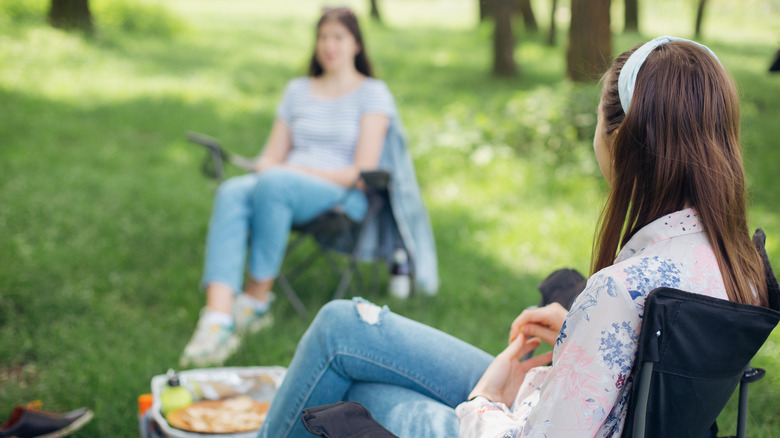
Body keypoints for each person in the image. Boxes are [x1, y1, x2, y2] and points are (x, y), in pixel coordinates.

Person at [256, 36, 770, 437]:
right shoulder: (738, 265)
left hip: (521, 419)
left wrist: (484, 399)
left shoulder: (619, 293)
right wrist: (582, 334)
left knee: (357, 375)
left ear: (618, 136)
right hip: (558, 400)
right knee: (343, 324)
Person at [180, 7, 399, 368]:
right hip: (281, 186)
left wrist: (293, 170)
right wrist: (270, 167)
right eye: (323, 36)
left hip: (342, 193)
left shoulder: (372, 93)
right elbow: (270, 156)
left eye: (338, 37)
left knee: (276, 182)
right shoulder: (298, 90)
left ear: (356, 44)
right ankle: (217, 318)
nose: (329, 45)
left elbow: (360, 171)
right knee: (232, 191)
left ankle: (254, 301)